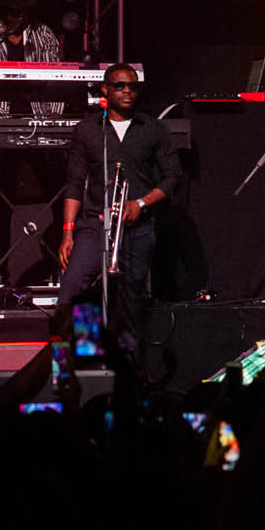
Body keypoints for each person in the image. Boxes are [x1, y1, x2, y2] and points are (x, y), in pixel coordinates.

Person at [56, 64, 181, 341]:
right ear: (105, 89)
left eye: (133, 87)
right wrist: (67, 232)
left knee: (130, 300)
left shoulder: (153, 128)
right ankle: (82, 357)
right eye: (120, 86)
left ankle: (126, 370)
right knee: (73, 289)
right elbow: (75, 184)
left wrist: (140, 204)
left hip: (137, 226)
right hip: (94, 225)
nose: (127, 91)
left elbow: (173, 177)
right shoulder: (88, 130)